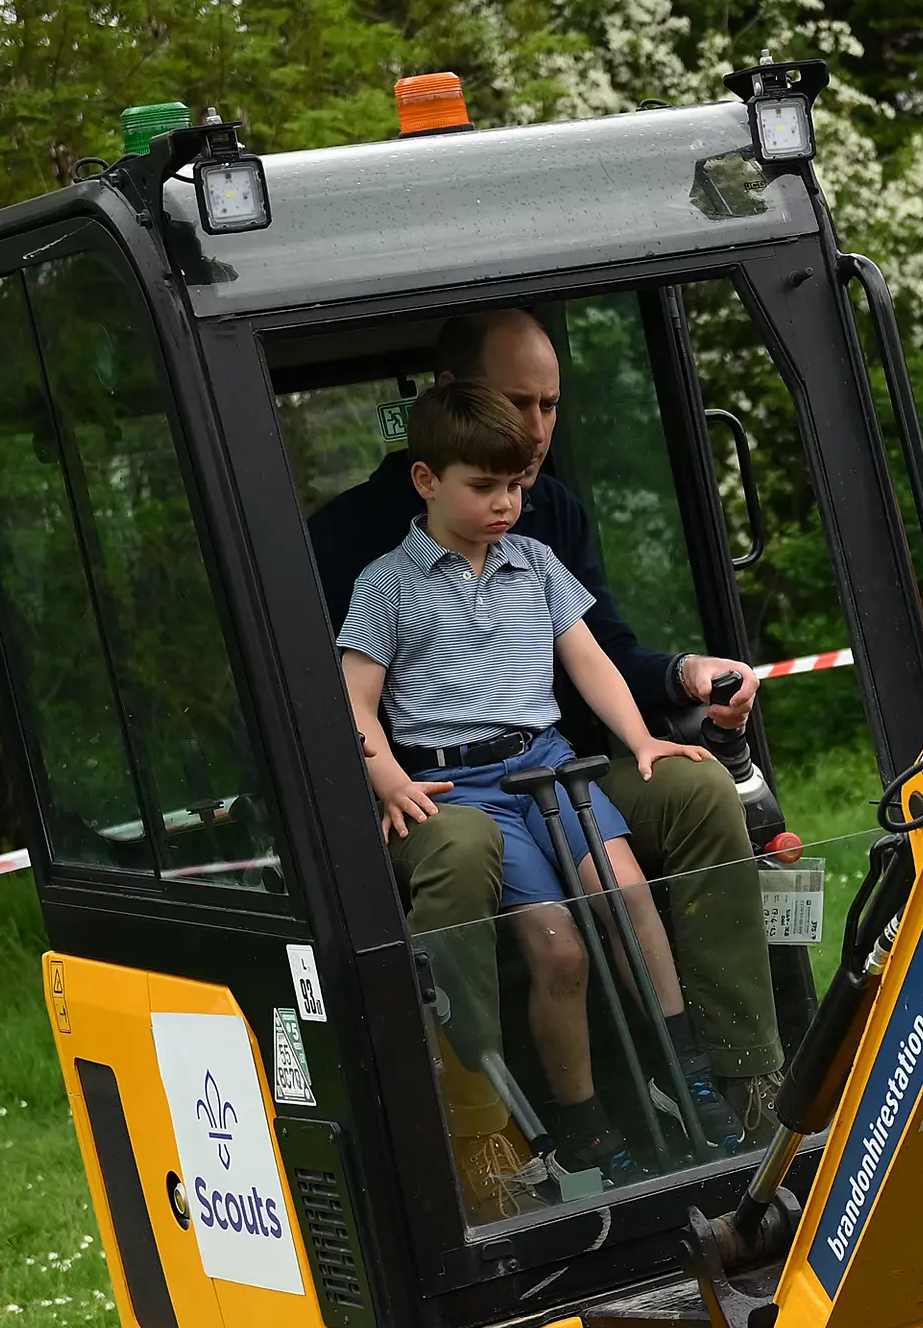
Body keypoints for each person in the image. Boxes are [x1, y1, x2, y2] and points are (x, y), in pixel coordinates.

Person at [311, 308, 780, 1116]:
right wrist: (385, 780)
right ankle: (480, 1122)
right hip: (443, 784)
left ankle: (736, 1077)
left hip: (557, 764)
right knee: (488, 875)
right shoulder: (361, 555)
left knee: (693, 801)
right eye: (516, 406)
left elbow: (598, 650)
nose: (533, 437)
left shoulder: (540, 530)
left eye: (550, 407)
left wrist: (667, 696)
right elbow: (343, 699)